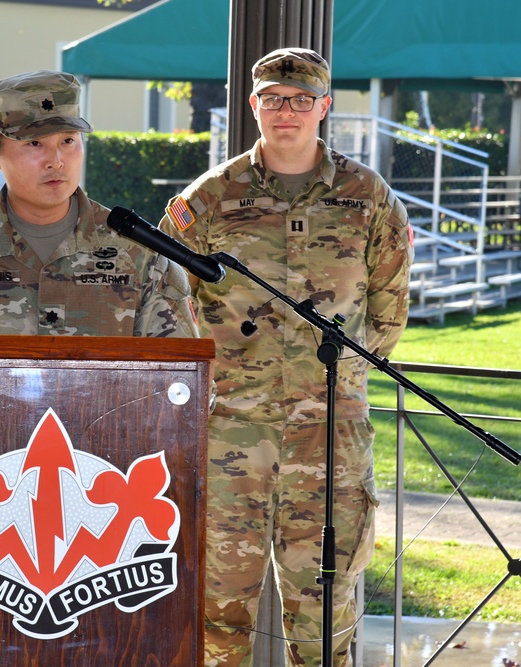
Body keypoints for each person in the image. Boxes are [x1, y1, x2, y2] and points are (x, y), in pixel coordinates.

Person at [157, 48, 413, 666]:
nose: (287, 111)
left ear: (325, 107)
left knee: (326, 610)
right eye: (273, 98)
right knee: (216, 608)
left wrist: (340, 378)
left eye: (302, 100)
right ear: (253, 106)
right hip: (229, 436)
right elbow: (162, 298)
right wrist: (215, 376)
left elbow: (389, 305)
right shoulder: (210, 200)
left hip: (331, 436)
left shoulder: (366, 196)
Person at [0, 69, 199, 427]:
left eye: (68, 141)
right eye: (34, 144)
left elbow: (180, 387)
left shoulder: (137, 253)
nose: (55, 160)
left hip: (106, 469)